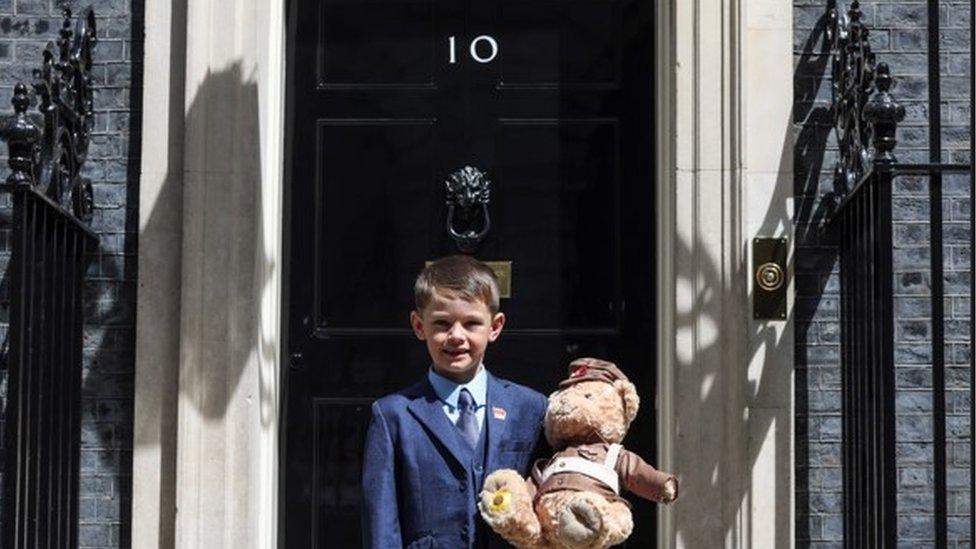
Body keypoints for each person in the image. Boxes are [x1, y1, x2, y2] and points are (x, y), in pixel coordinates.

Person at [361, 255, 548, 548]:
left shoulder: (531, 408)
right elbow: (382, 524)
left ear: (495, 327)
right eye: (442, 323)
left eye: (472, 323)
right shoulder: (393, 415)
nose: (456, 336)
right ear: (419, 325)